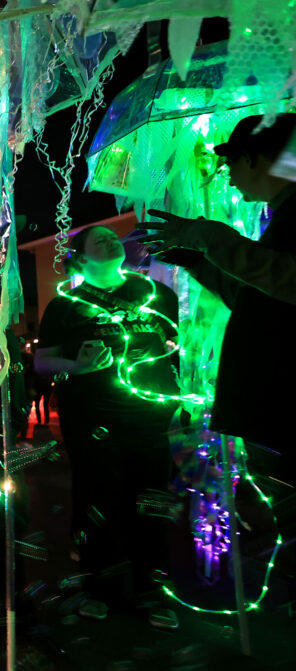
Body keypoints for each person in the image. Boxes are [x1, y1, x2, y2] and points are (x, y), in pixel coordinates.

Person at [142, 112, 296, 597]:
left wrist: (211, 239)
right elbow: (257, 297)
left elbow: (288, 281)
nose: (227, 174)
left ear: (254, 158)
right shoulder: (282, 214)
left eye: (231, 163)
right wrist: (196, 257)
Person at [35, 225, 179, 628]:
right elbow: (43, 362)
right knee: (97, 502)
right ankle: (99, 588)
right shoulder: (65, 306)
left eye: (113, 238)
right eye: (99, 240)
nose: (112, 241)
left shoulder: (156, 295)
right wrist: (78, 366)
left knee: (150, 500)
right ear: (79, 258)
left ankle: (153, 590)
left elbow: (175, 348)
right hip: (93, 417)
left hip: (150, 416)